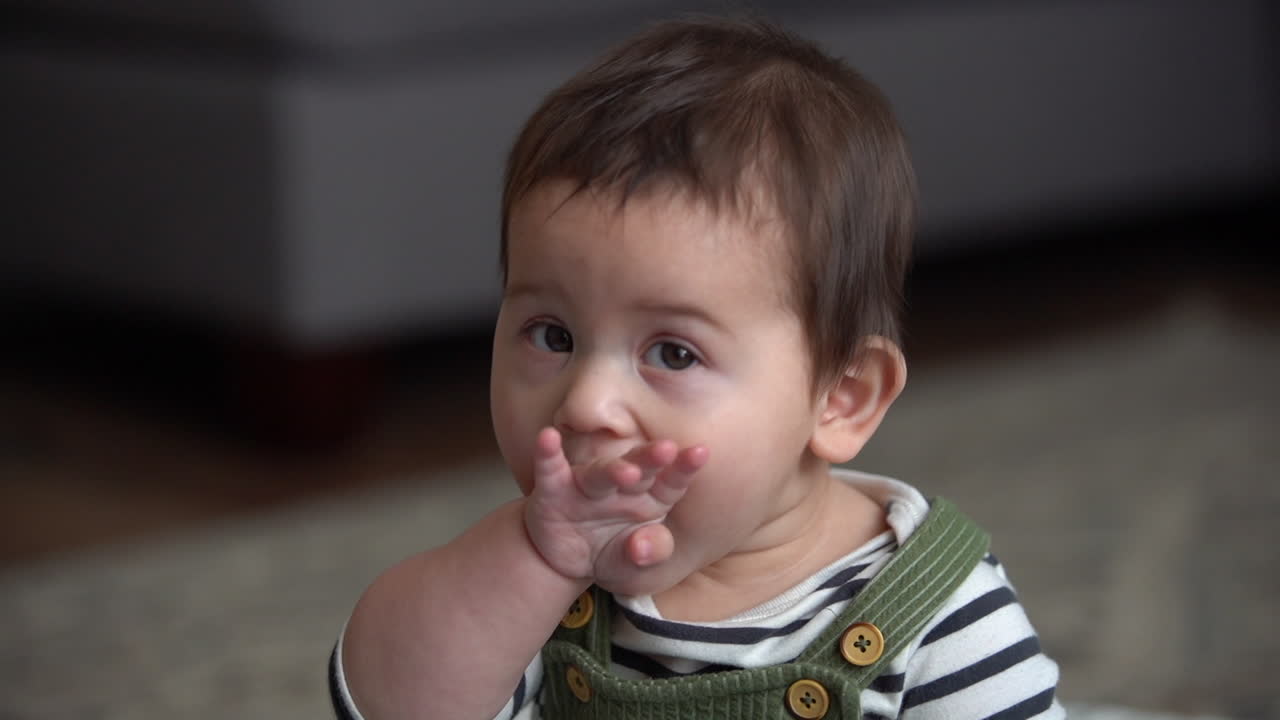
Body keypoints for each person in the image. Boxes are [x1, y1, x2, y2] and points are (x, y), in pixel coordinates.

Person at [330, 15, 1063, 720]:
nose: (585, 403)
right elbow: (394, 703)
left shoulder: (935, 611)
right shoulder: (528, 589)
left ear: (843, 396)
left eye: (673, 353)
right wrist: (535, 563)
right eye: (552, 334)